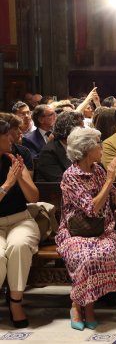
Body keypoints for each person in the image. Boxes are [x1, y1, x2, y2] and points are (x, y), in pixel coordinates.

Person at [57, 127, 116, 330]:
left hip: (103, 231)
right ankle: (80, 306)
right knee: (85, 256)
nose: (101, 148)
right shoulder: (70, 176)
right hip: (75, 233)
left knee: (104, 252)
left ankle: (86, 307)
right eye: (98, 144)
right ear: (87, 148)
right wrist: (110, 178)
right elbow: (91, 208)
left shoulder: (98, 170)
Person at [0, 119, 40, 328]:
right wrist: (7, 183)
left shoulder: (19, 153)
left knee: (19, 246)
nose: (12, 138)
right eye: (7, 135)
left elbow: (33, 197)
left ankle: (16, 302)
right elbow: (5, 187)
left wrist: (20, 175)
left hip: (20, 219)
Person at [36, 111, 84, 182]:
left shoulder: (81, 147)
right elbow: (60, 181)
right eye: (81, 129)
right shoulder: (49, 152)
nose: (84, 133)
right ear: (69, 130)